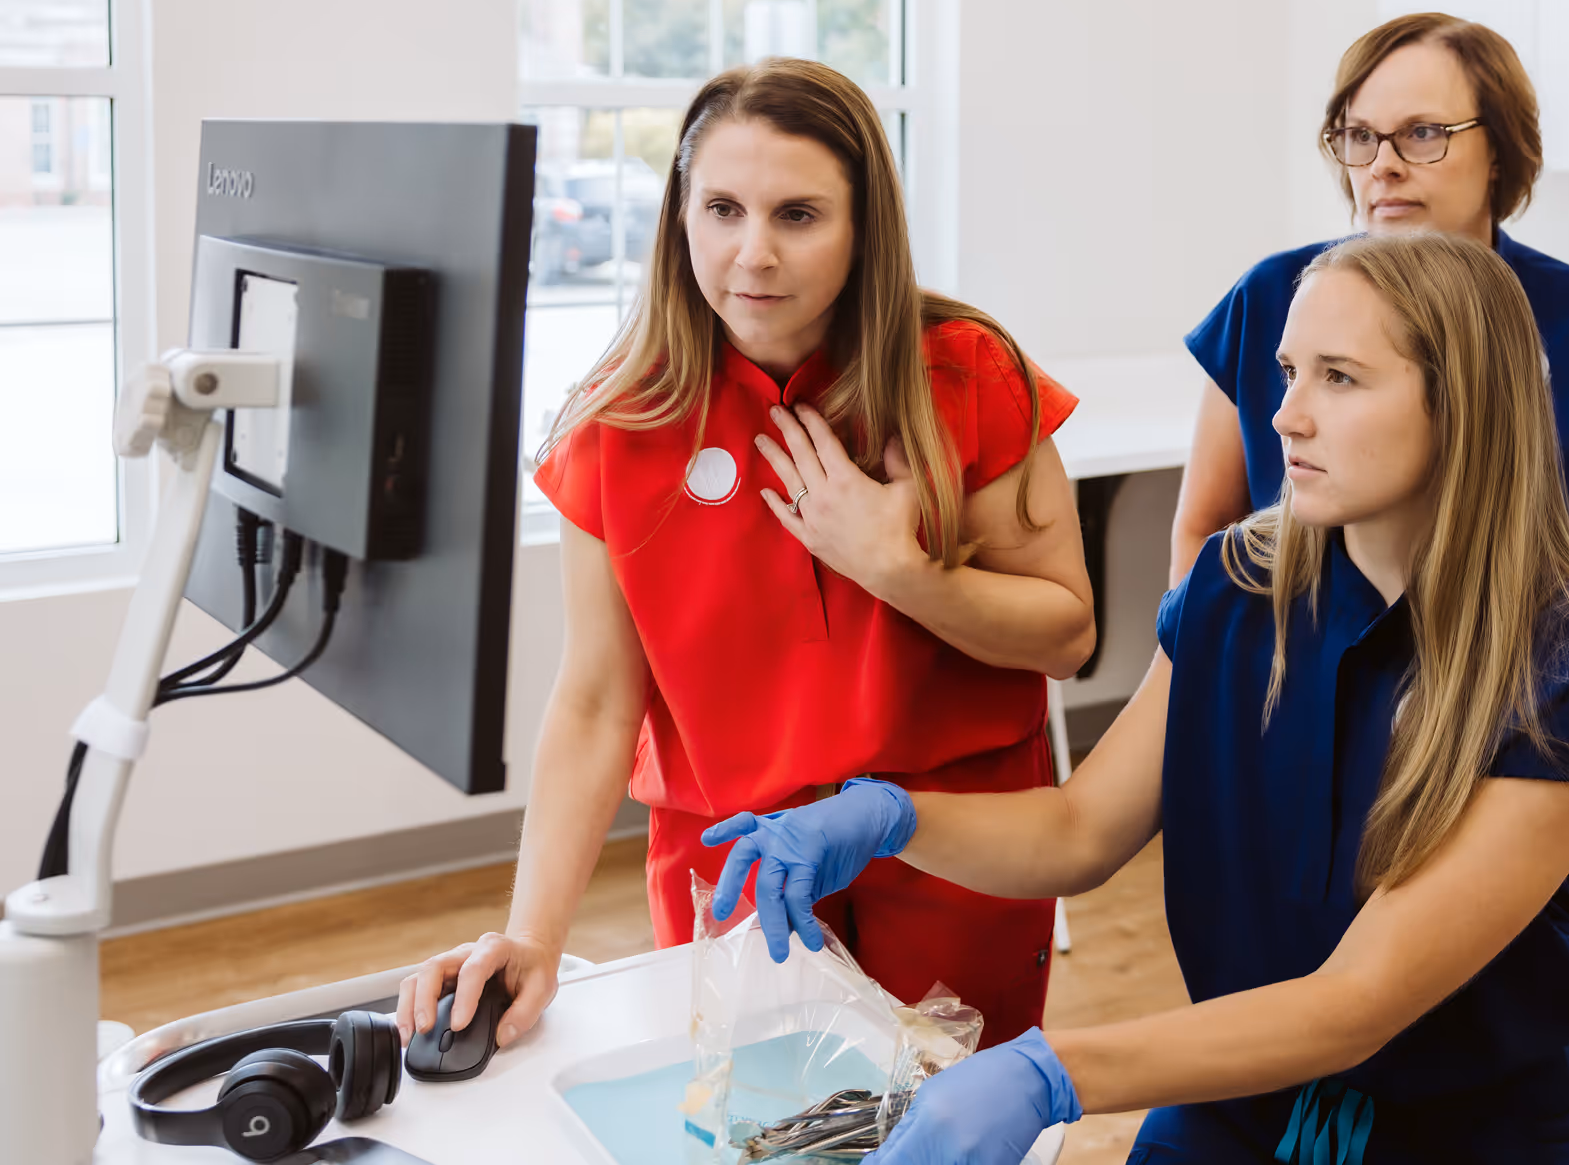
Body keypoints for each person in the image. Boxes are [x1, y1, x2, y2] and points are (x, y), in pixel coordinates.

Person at [710, 232, 1569, 1163]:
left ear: (1463, 406)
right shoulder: (1240, 588)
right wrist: (889, 817)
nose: (1286, 416)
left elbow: (1357, 1004)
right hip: (1244, 1100)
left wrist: (1051, 1074)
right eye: (1288, 372)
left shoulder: (1568, 680)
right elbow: (1081, 832)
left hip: (1475, 1136)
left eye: (1339, 378)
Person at [394, 59, 1096, 1055]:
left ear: (864, 228)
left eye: (798, 215)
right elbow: (595, 701)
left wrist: (900, 570)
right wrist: (534, 936)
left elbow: (1066, 636)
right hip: (737, 860)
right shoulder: (617, 421)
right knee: (759, 1118)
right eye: (722, 209)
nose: (752, 254)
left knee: (957, 1108)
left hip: (951, 843)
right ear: (680, 217)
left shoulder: (968, 372)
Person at [1172, 12, 1569, 680]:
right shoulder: (1273, 298)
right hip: (1292, 697)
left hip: (1510, 704)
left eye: (1423, 134)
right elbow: (1205, 534)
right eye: (1361, 136)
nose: (1383, 166)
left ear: (1499, 150)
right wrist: (1208, 695)